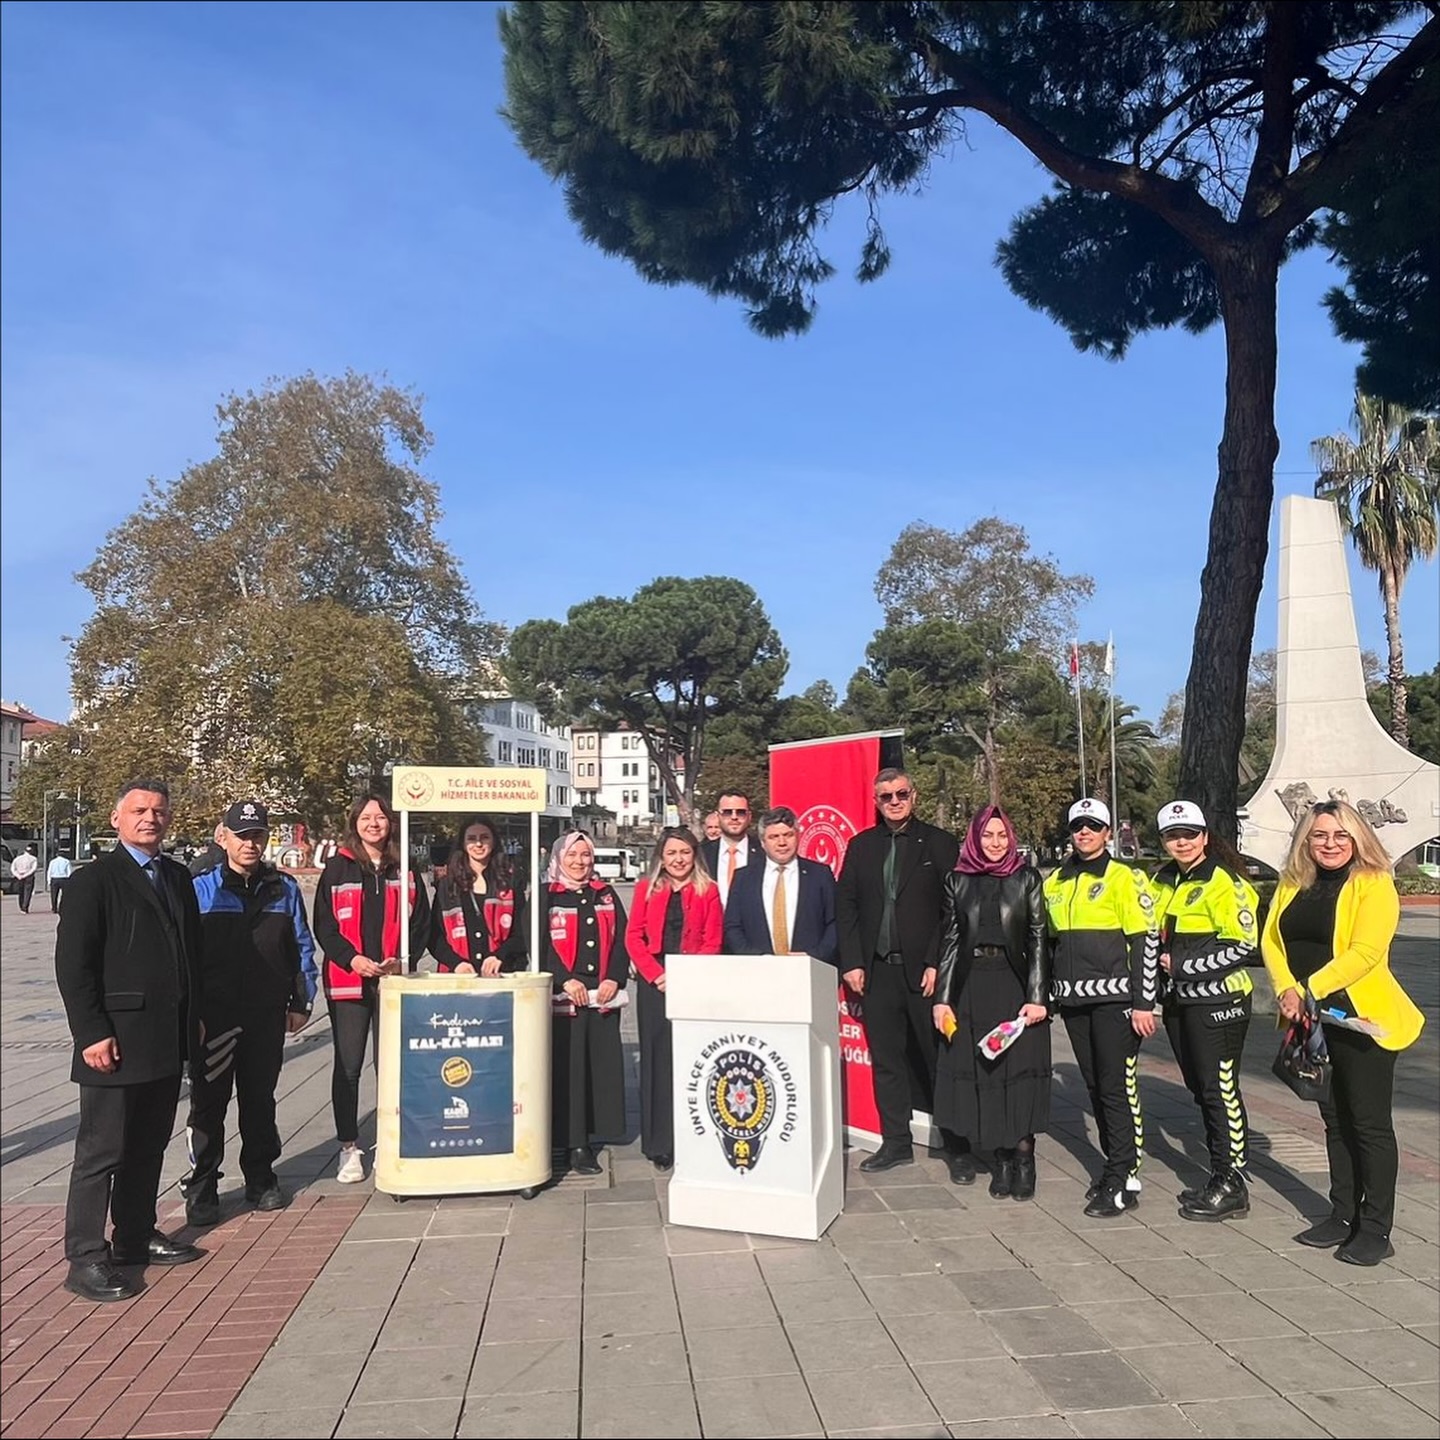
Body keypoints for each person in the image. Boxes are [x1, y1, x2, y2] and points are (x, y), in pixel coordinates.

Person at [54, 779, 205, 1302]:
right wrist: (91, 1031)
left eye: (159, 811)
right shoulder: (94, 880)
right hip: (114, 1040)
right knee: (102, 1152)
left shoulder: (177, 877)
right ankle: (85, 1257)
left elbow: (191, 955)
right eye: (139, 810)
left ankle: (135, 1236)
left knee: (147, 1145)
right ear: (116, 819)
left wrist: (195, 1018)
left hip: (166, 1037)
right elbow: (73, 965)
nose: (150, 818)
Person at [1262, 799, 1425, 1266]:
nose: (1330, 844)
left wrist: (1307, 990)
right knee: (1335, 1120)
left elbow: (1366, 952)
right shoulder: (1294, 881)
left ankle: (1376, 1228)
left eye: (1340, 835)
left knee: (1368, 1124)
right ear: (1306, 839)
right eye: (1319, 835)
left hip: (1362, 1021)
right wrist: (1285, 989)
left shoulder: (1374, 883)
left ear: (1357, 838)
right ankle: (1342, 1214)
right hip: (1313, 1019)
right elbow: (1271, 939)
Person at [182, 801, 319, 1226]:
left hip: (265, 1013)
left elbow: (301, 947)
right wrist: (188, 1012)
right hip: (214, 1018)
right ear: (223, 837)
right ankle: (202, 1187)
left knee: (260, 1100)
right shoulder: (199, 887)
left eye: (257, 835)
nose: (250, 844)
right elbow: (183, 956)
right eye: (241, 836)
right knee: (208, 1104)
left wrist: (301, 1001)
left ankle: (261, 1178)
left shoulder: (284, 889)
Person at [837, 768, 961, 1176]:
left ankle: (957, 1145)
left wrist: (935, 961)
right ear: (876, 801)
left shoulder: (940, 843)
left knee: (937, 1059)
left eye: (901, 794)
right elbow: (846, 906)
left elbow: (952, 910)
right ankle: (896, 1142)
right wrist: (852, 961)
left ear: (914, 796)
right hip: (877, 973)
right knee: (887, 1062)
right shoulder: (861, 846)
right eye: (886, 796)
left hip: (924, 975)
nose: (894, 801)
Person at [1042, 797, 1159, 1218]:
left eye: (1093, 826)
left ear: (1108, 832)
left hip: (1116, 1002)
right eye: (1078, 826)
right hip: (1074, 1002)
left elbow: (1145, 941)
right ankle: (1115, 1166)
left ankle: (1125, 1176)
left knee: (1115, 1088)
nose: (1085, 833)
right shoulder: (1055, 881)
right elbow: (1048, 943)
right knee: (1094, 1087)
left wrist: (1145, 1003)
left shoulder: (1125, 877)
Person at [312, 794, 431, 1185]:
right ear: (355, 823)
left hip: (393, 981)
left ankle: (389, 1141)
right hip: (349, 981)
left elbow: (421, 921)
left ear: (391, 823)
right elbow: (325, 926)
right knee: (348, 1066)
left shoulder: (404, 868)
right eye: (366, 817)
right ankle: (349, 1147)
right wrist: (352, 959)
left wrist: (403, 960)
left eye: (380, 817)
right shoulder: (338, 867)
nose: (373, 823)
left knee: (391, 1066)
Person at [933, 806, 1051, 1200]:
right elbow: (950, 942)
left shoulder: (1026, 878)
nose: (996, 843)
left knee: (1018, 1073)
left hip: (1014, 984)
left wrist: (1037, 996)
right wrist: (943, 999)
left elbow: (1037, 937)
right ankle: (1000, 1160)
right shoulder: (957, 880)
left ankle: (1024, 1158)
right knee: (987, 1072)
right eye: (988, 835)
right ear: (975, 838)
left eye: (1002, 835)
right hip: (972, 987)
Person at [1148, 801, 1258, 1222]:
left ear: (1205, 837)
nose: (1182, 842)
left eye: (1190, 834)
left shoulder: (1225, 882)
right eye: (1173, 835)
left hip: (1220, 1001)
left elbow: (1242, 945)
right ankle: (1219, 1172)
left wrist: (1182, 965)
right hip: (1180, 1003)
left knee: (1219, 1090)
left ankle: (1232, 1183)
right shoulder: (1163, 880)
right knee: (1201, 1089)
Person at [627, 827, 723, 1170]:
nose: (679, 859)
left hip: (692, 979)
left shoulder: (709, 890)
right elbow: (633, 937)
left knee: (692, 1059)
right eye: (672, 853)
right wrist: (655, 974)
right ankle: (660, 1143)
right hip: (655, 982)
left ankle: (693, 1136)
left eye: (685, 852)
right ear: (661, 857)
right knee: (656, 1059)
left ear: (694, 855)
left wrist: (685, 976)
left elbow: (713, 941)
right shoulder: (646, 888)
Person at [538, 830, 629, 1174]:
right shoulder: (547, 895)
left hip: (601, 992)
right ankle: (572, 1142)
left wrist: (613, 978)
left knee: (598, 1067)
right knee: (569, 1069)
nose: (579, 862)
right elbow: (537, 943)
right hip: (565, 994)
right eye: (572, 855)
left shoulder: (604, 893)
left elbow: (622, 939)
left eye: (585, 855)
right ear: (559, 858)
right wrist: (565, 978)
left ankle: (592, 1133)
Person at [723, 805, 838, 965]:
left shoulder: (820, 875)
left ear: (797, 836)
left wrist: (814, 956)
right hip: (757, 969)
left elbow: (835, 923)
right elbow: (733, 927)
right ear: (763, 842)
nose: (782, 842)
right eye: (774, 837)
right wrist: (757, 959)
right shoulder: (743, 878)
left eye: (788, 835)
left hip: (810, 969)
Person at [429, 815, 529, 976]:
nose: (478, 844)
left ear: (494, 841)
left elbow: (522, 932)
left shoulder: (510, 882)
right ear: (463, 844)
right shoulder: (448, 885)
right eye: (471, 838)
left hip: (502, 975)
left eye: (484, 837)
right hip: (458, 977)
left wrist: (500, 956)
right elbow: (434, 935)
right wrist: (456, 963)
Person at [701, 790, 756, 913]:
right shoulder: (702, 854)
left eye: (741, 812)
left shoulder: (763, 853)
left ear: (749, 817)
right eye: (727, 812)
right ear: (718, 816)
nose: (734, 817)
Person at [11, 843, 38, 912]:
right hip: (29, 877)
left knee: (21, 892)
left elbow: (13, 868)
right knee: (28, 892)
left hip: (19, 876)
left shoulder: (17, 859)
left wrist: (18, 875)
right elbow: (33, 869)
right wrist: (26, 875)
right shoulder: (33, 859)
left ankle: (21, 906)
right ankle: (25, 906)